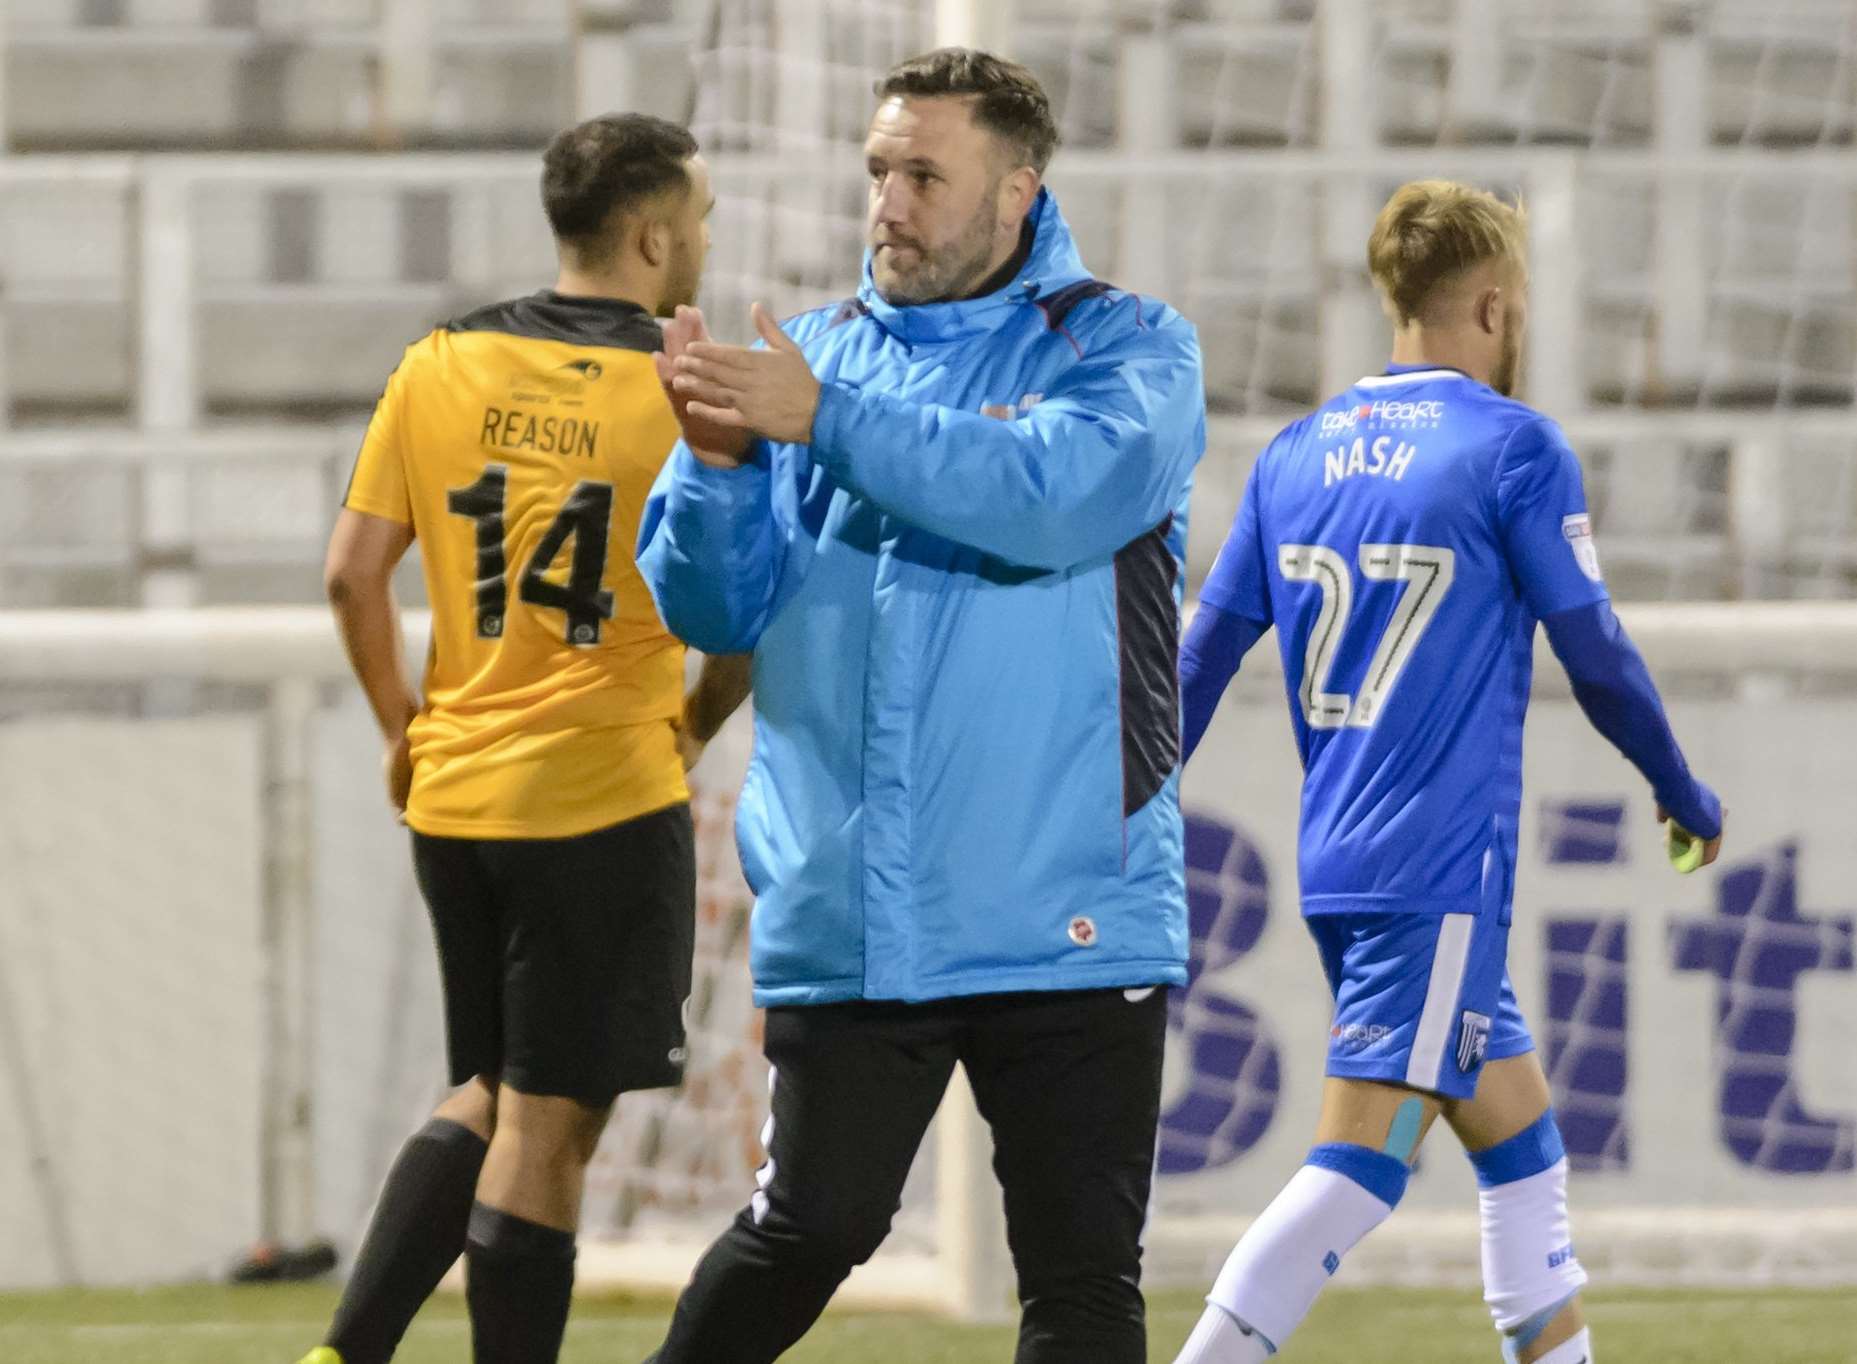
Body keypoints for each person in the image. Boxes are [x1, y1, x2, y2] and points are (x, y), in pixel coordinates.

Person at [633, 47, 1206, 1364]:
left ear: (1016, 193)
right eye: (880, 170)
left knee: (1077, 1283)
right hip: (860, 907)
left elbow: (1052, 495)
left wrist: (824, 422)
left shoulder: (1124, 346)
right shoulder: (813, 357)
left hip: (1069, 906)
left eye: (924, 175)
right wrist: (717, 468)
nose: (887, 202)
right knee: (809, 1228)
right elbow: (715, 613)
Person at [1170, 180, 1725, 1364]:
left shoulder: (1293, 453)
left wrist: (1121, 792)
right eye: (1517, 309)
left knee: (1523, 1151)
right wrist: (1682, 789)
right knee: (1358, 1169)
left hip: (1340, 858)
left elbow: (1199, 658)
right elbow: (1598, 653)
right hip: (1436, 869)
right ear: (1492, 303)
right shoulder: (1511, 449)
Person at [297, 113, 749, 1364]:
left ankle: (343, 1351)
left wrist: (404, 727)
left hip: (455, 797)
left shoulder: (439, 361)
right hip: (599, 794)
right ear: (654, 234)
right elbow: (746, 607)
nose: (706, 237)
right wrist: (696, 724)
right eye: (702, 216)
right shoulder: (684, 389)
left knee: (495, 1087)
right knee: (549, 1122)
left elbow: (350, 574)